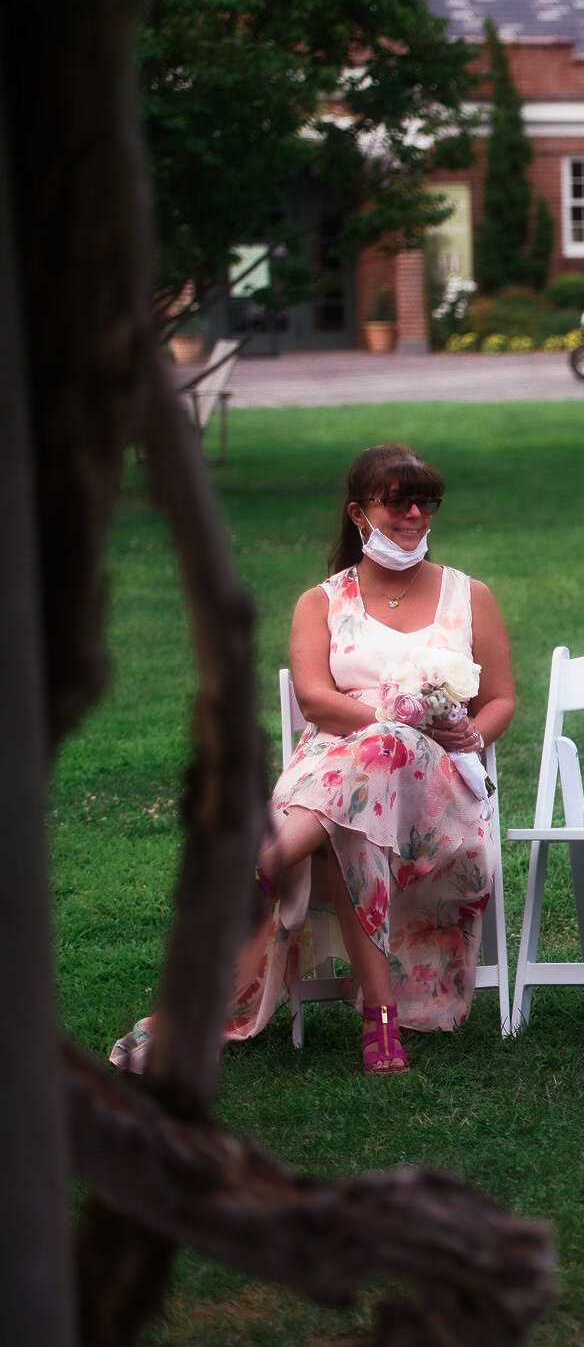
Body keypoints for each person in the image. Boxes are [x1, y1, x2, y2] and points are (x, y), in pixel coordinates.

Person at [111, 445, 515, 1076]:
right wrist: (390, 717)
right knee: (358, 809)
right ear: (358, 513)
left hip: (435, 788)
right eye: (397, 501)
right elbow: (316, 701)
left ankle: (263, 861)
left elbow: (502, 701)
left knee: (387, 752)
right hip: (336, 772)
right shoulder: (320, 602)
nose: (415, 514)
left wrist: (468, 734)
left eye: (425, 501)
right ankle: (380, 1020)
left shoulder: (470, 596)